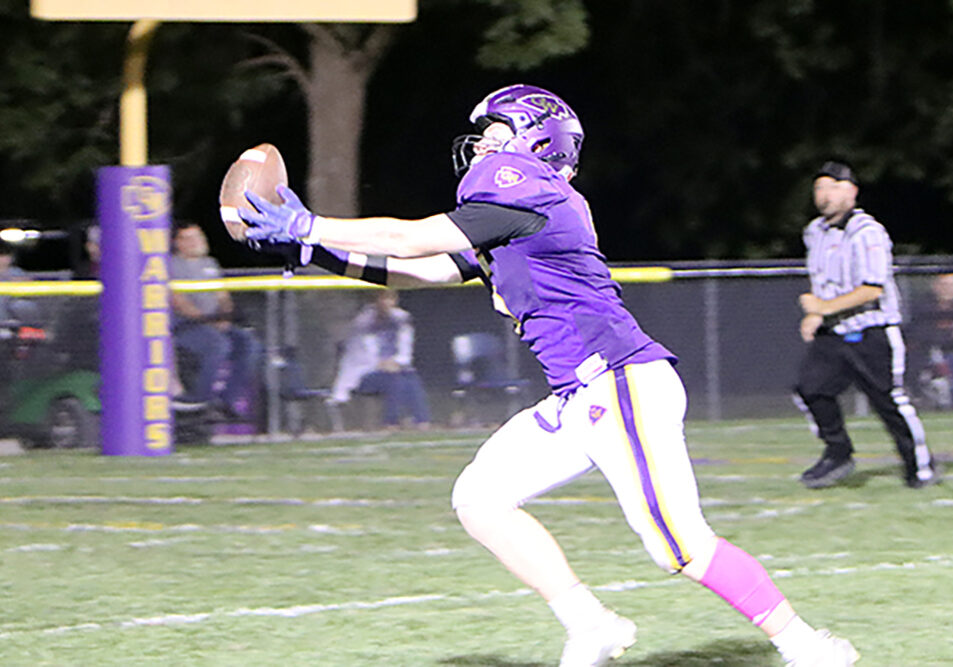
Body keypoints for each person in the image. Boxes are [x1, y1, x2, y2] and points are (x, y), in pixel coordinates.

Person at [237, 85, 859, 666]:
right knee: (479, 499)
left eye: (493, 131)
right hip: (580, 395)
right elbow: (420, 269)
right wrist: (313, 250)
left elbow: (415, 237)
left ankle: (807, 645)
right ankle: (591, 623)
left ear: (534, 139)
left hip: (620, 384)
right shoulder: (516, 212)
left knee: (680, 546)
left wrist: (310, 225)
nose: (480, 144)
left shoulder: (532, 194)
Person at [793, 160, 939, 490]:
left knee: (888, 402)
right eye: (819, 187)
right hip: (834, 333)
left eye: (833, 186)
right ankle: (838, 454)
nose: (824, 194)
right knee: (810, 389)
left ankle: (920, 468)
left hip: (872, 331)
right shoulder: (814, 232)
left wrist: (822, 307)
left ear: (852, 191)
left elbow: (871, 289)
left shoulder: (867, 232)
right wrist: (817, 315)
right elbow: (824, 281)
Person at [170, 222, 262, 416]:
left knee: (249, 344)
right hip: (186, 325)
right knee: (217, 346)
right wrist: (208, 321)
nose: (196, 242)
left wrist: (225, 317)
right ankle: (200, 400)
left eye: (198, 237)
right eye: (189, 238)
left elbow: (223, 296)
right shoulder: (171, 265)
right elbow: (179, 302)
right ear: (178, 243)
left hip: (215, 322)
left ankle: (228, 400)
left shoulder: (209, 264)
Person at [327, 289, 431, 430]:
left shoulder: (402, 319)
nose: (386, 303)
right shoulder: (363, 322)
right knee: (393, 379)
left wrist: (397, 362)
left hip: (394, 369)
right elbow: (361, 355)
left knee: (410, 376)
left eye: (389, 299)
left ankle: (421, 420)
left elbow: (405, 349)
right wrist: (381, 365)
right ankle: (391, 422)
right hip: (364, 374)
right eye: (382, 299)